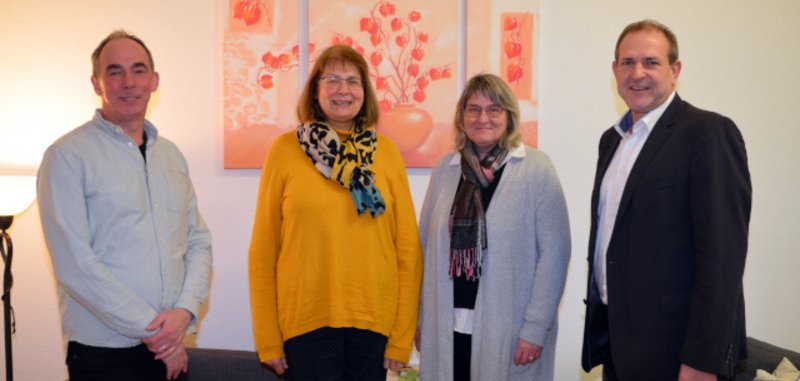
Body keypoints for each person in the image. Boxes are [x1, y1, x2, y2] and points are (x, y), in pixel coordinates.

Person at [581, 19, 752, 381]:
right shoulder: (611, 141)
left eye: (651, 62)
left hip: (678, 352)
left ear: (675, 71)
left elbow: (722, 257)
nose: (637, 73)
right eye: (627, 62)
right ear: (614, 70)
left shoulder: (707, 133)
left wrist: (703, 360)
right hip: (619, 344)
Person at [37, 30, 212, 381]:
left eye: (138, 70)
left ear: (154, 80)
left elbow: (198, 242)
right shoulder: (66, 156)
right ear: (97, 83)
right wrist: (157, 331)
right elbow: (76, 264)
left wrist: (184, 311)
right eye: (115, 72)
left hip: (172, 344)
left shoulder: (171, 155)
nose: (129, 82)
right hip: (104, 354)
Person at [247, 44, 422, 380]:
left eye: (353, 81)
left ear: (365, 92)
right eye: (332, 80)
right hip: (305, 324)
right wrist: (268, 339)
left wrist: (401, 339)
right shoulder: (284, 151)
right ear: (316, 89)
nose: (344, 90)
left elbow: (408, 251)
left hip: (373, 323)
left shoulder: (386, 154)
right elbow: (263, 251)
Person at [417, 73, 571, 380]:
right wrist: (420, 319)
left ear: (509, 116)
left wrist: (535, 328)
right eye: (473, 109)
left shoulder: (536, 169)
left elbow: (555, 255)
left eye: (493, 109)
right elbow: (423, 248)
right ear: (461, 117)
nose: (482, 118)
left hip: (510, 331)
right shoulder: (446, 170)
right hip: (446, 326)